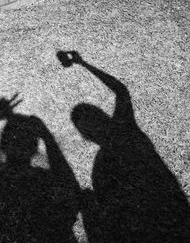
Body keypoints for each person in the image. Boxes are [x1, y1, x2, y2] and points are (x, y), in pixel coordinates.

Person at [57, 50, 190, 242]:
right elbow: (121, 90)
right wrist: (82, 63)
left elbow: (121, 90)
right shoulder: (123, 132)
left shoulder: (114, 145)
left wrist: (84, 63)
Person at [0, 94, 81, 243]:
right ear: (34, 148)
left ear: (4, 145)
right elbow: (69, 186)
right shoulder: (43, 181)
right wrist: (48, 138)